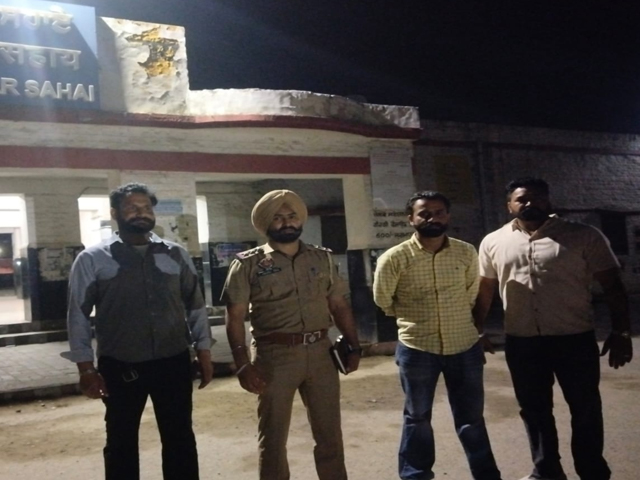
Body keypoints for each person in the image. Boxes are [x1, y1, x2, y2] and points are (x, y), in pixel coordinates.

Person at [474, 177, 633, 480]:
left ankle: (592, 471)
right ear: (509, 206)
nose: (529, 203)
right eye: (522, 199)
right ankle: (546, 470)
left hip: (574, 339)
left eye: (537, 197)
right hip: (522, 341)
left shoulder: (584, 236)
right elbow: (485, 291)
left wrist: (621, 332)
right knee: (533, 410)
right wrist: (477, 332)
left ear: (549, 201)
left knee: (585, 408)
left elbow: (613, 286)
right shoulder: (493, 241)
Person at [65, 182, 213, 480]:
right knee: (120, 441)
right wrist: (86, 368)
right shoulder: (92, 259)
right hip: (120, 365)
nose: (141, 213)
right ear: (115, 213)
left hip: (173, 362)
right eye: (132, 208)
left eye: (146, 208)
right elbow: (77, 314)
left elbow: (196, 306)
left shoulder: (176, 254)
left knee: (180, 438)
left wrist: (204, 351)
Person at [222, 189, 361, 480]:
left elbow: (338, 304)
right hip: (274, 357)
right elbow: (234, 317)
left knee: (330, 434)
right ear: (266, 223)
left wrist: (354, 345)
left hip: (321, 353)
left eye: (292, 216)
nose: (287, 222)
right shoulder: (247, 264)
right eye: (278, 217)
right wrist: (243, 364)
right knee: (273, 437)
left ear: (300, 220)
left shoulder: (321, 258)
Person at [373, 190, 502, 480]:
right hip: (418, 348)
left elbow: (471, 294)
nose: (433, 218)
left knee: (472, 419)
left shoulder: (465, 252)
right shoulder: (394, 258)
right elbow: (383, 301)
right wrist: (416, 318)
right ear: (411, 219)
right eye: (425, 214)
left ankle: (486, 475)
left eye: (439, 212)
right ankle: (416, 475)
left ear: (448, 216)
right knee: (417, 417)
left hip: (464, 347)